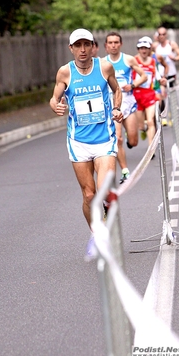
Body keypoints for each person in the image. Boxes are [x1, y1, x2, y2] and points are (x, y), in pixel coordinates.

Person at [49, 28, 123, 261]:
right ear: (71, 48)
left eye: (86, 45)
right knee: (89, 196)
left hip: (104, 140)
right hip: (78, 142)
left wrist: (117, 108)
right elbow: (54, 98)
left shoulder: (104, 67)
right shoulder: (65, 72)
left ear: (93, 46)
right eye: (77, 45)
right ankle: (96, 234)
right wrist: (56, 106)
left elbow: (117, 89)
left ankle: (106, 222)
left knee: (102, 191)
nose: (82, 50)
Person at [104, 32, 147, 184]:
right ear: (106, 46)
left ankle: (132, 137)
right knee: (118, 138)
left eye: (116, 42)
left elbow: (144, 76)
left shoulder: (129, 59)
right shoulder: (102, 63)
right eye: (110, 43)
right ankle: (125, 171)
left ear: (120, 44)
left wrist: (133, 85)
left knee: (133, 141)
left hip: (128, 101)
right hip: (113, 103)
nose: (113, 45)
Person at [132, 37, 158, 158]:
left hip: (149, 95)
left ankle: (150, 149)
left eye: (146, 48)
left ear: (149, 49)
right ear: (138, 49)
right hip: (137, 95)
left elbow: (156, 77)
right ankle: (143, 129)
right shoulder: (133, 60)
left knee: (151, 120)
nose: (144, 50)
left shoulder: (153, 61)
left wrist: (159, 85)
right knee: (141, 126)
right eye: (141, 48)